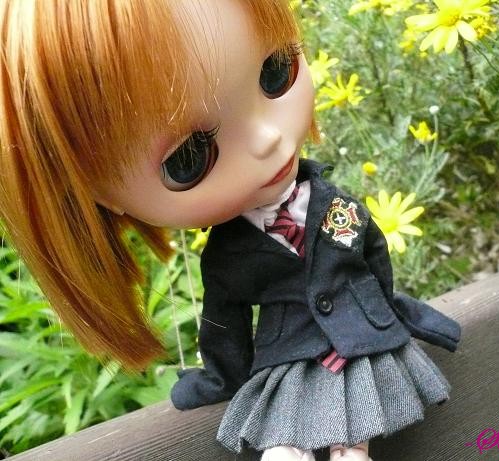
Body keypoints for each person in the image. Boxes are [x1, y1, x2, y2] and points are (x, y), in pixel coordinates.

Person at [0, 1, 460, 460]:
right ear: (96, 193)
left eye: (276, 72)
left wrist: (390, 312)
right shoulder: (230, 257)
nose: (267, 139)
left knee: (353, 430)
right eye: (189, 158)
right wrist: (220, 378)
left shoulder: (336, 205)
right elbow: (225, 323)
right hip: (289, 355)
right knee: (285, 436)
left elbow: (374, 258)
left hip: (362, 341)